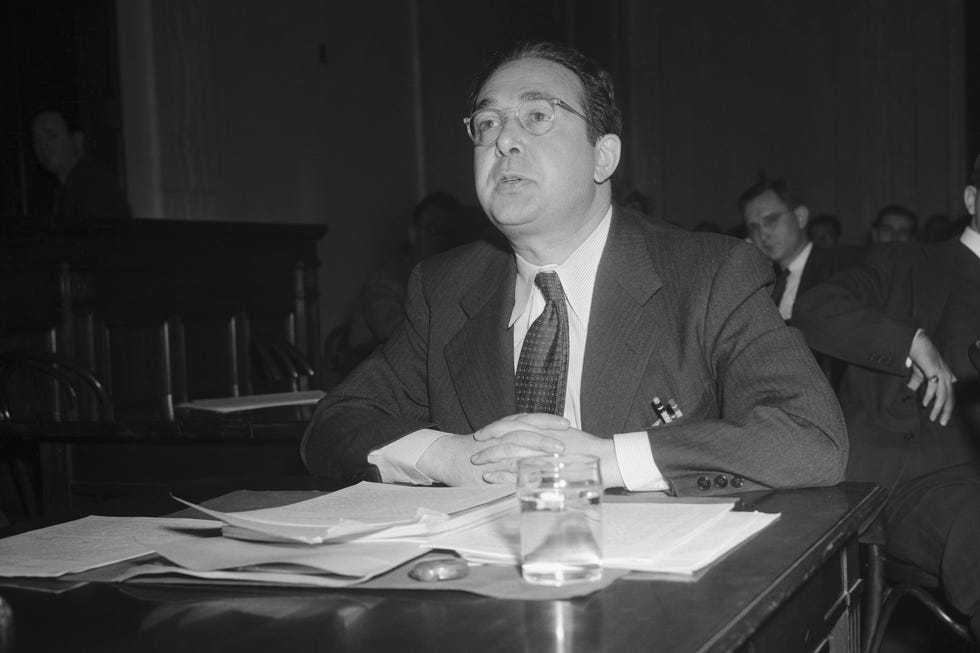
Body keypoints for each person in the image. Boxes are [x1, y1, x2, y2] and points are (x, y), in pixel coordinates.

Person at [301, 41, 846, 494]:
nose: (503, 140)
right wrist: (452, 458)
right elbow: (333, 425)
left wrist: (602, 460)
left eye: (537, 116)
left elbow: (810, 438)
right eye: (486, 123)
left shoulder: (709, 273)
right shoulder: (444, 287)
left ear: (603, 156)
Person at [793, 154, 980, 640]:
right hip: (925, 478)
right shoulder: (907, 263)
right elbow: (815, 310)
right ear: (971, 199)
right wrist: (910, 342)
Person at [347, 192, 464, 353]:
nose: (443, 241)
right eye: (433, 232)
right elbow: (402, 340)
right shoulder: (385, 283)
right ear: (413, 235)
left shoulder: (455, 278)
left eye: (450, 234)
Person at [739, 178, 860, 322]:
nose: (762, 234)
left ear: (800, 217)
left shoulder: (840, 269)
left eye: (770, 220)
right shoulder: (762, 285)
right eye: (753, 227)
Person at [31, 109, 130, 219]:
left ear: (77, 139)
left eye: (52, 136)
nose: (43, 146)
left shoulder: (94, 185)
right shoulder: (68, 188)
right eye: (38, 139)